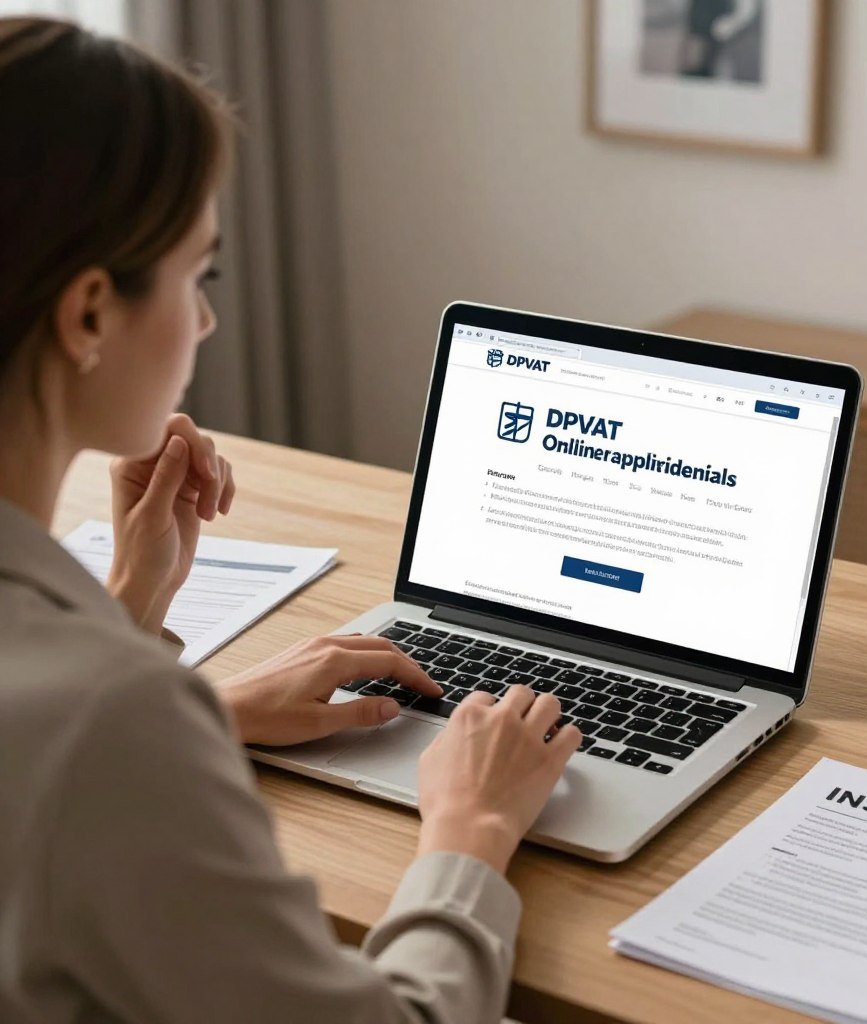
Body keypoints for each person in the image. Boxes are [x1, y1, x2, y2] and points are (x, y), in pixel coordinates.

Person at [0, 17, 580, 1024]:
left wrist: (139, 616)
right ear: (89, 313)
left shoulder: (88, 706)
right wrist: (470, 828)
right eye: (200, 276)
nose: (209, 322)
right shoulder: (103, 719)